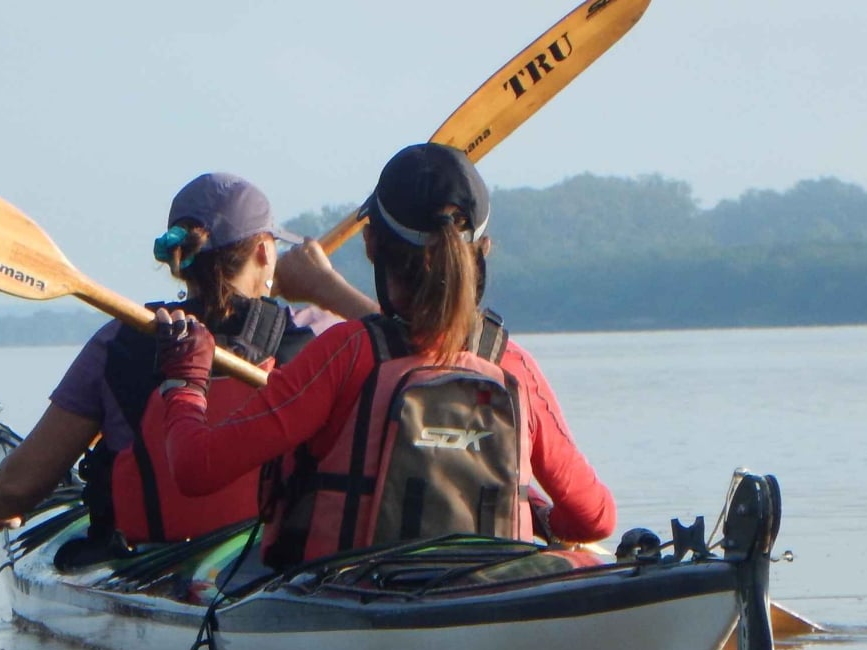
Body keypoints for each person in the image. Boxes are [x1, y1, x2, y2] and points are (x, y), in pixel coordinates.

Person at [154, 143, 616, 570]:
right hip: (484, 588)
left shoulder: (344, 354)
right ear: (483, 251)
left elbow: (198, 469)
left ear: (371, 245)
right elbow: (595, 519)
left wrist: (186, 377)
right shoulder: (512, 364)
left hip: (348, 592)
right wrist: (544, 522)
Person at [0, 172, 376, 558]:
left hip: (150, 560)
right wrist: (327, 287)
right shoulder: (321, 333)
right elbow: (412, 357)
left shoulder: (121, 341)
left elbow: (19, 487)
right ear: (265, 252)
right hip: (272, 565)